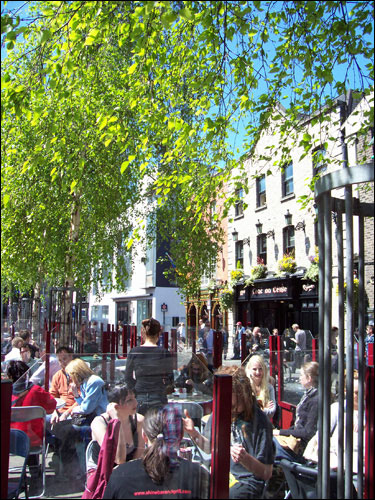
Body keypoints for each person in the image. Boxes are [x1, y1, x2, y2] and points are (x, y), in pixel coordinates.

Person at [183, 365, 274, 499]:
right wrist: (194, 433)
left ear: (244, 397)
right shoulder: (221, 410)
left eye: (233, 406)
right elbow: (210, 448)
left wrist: (245, 459)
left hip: (247, 480)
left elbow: (266, 473)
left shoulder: (260, 422)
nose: (229, 410)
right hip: (222, 474)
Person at [103, 405, 210, 499]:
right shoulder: (199, 475)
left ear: (144, 436)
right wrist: (195, 434)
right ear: (180, 437)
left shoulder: (120, 476)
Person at [7, 360, 57, 490]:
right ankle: (35, 474)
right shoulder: (35, 390)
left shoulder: (6, 392)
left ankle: (26, 477)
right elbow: (52, 406)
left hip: (9, 439)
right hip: (33, 439)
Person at [88, 385, 145, 480]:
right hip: (103, 476)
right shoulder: (100, 423)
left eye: (135, 398)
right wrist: (116, 420)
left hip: (127, 474)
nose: (136, 402)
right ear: (116, 406)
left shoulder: (139, 420)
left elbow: (138, 458)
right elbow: (119, 459)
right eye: (129, 400)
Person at [124, 318, 174, 415]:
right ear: (159, 333)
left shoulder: (134, 351)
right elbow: (170, 378)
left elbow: (127, 377)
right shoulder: (164, 352)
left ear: (143, 332)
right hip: (158, 395)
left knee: (139, 427)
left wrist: (136, 388)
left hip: (139, 395)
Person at [273, 361, 319, 462]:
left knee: (271, 443)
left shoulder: (316, 400)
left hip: (304, 446)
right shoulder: (309, 395)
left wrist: (281, 432)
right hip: (297, 437)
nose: (299, 378)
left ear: (309, 378)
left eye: (302, 375)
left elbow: (308, 432)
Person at [65, 357, 109, 423]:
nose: (71, 379)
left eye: (70, 376)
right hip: (92, 417)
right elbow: (83, 404)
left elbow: (87, 408)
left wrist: (74, 410)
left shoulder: (94, 382)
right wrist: (76, 395)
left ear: (76, 374)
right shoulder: (84, 383)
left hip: (101, 418)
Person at [49, 346, 77, 425]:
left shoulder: (78, 375)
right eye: (60, 361)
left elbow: (81, 399)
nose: (62, 363)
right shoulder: (57, 375)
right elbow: (52, 396)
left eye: (64, 359)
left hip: (74, 412)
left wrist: (67, 413)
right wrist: (54, 411)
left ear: (71, 357)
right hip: (58, 411)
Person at [245, 355, 276, 420]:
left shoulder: (269, 388)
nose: (258, 372)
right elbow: (245, 412)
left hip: (264, 426)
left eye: (260, 369)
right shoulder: (245, 387)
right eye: (254, 369)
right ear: (249, 369)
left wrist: (256, 410)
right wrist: (263, 408)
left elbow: (272, 412)